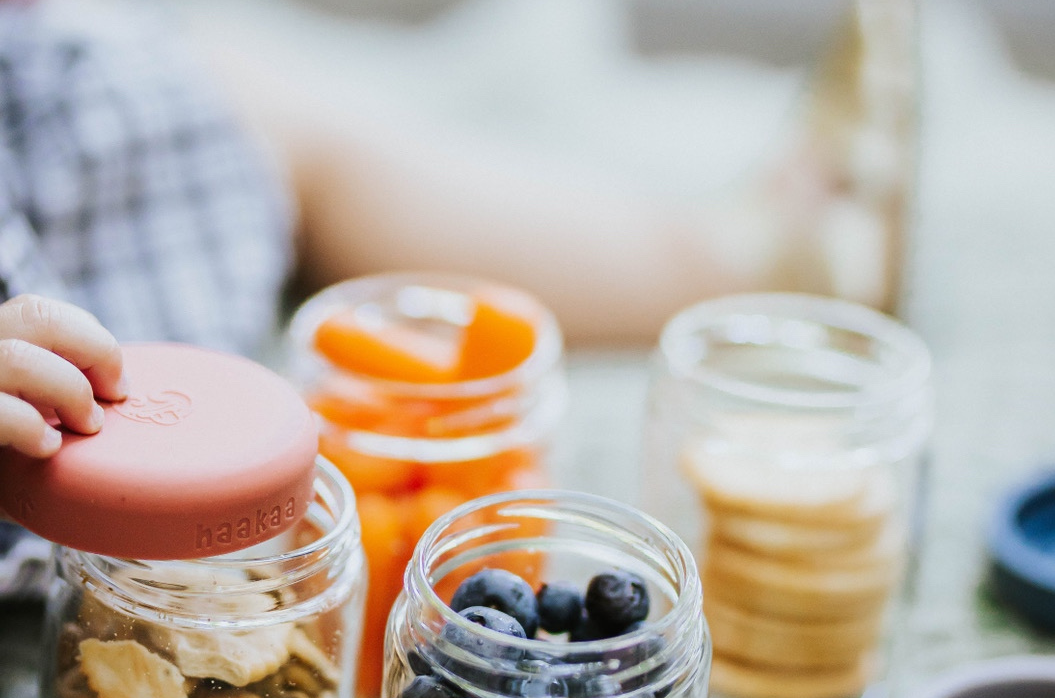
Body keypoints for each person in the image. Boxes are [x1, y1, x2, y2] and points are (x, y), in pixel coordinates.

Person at [0, 0, 911, 585]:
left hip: (41, 139)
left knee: (239, 110)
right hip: (39, 415)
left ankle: (733, 267)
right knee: (275, 133)